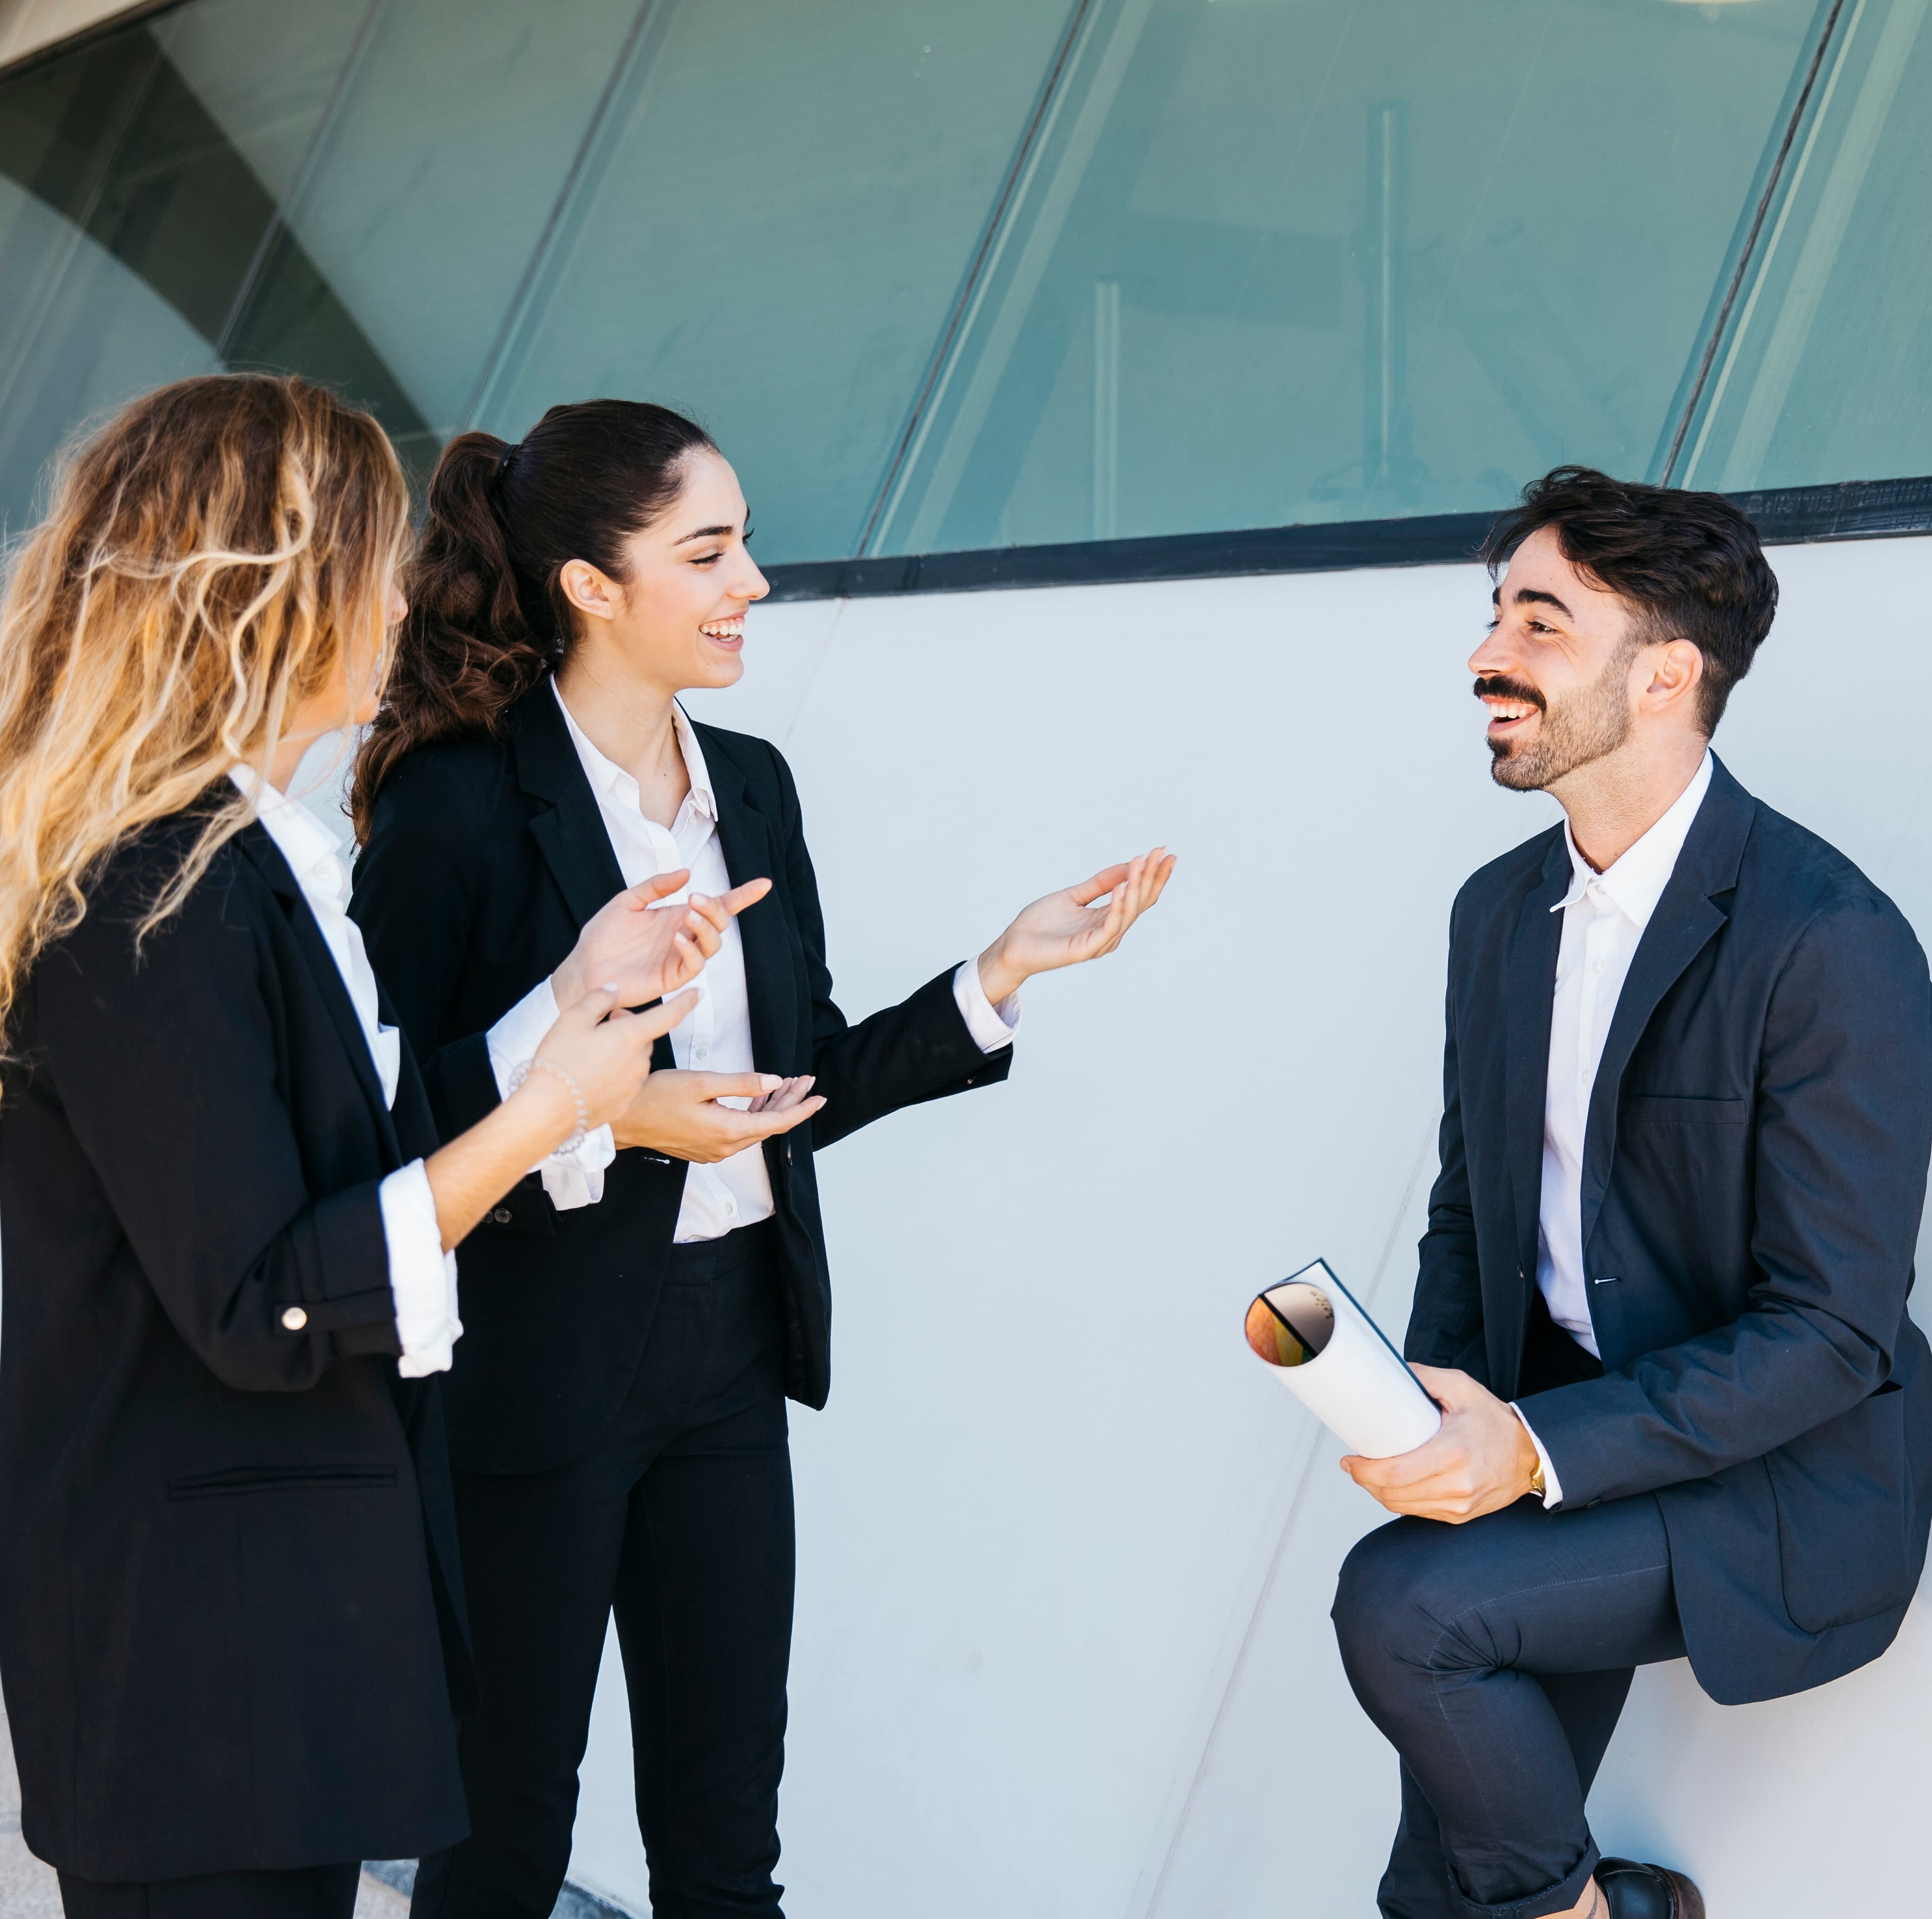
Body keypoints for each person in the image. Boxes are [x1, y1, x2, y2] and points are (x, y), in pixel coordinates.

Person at [347, 397, 1175, 1918]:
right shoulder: (456, 806)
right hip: (524, 1381)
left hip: (729, 1360)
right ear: (594, 587)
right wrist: (601, 1103)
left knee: (728, 1840)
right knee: (502, 1839)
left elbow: (789, 1090)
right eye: (711, 552)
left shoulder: (759, 787)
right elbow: (384, 1122)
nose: (755, 585)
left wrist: (997, 975)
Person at [0, 375, 740, 1919]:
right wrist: (561, 1110)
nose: (404, 594)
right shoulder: (145, 891)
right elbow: (268, 1292)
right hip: (195, 1667)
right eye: (373, 553)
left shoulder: (252, 851)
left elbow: (355, 1160)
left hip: (271, 1631)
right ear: (276, 587)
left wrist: (571, 1001)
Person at [1329, 467, 1932, 1919]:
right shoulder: (1495, 914)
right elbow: (1472, 1205)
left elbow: (1836, 1334)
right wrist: (1430, 1410)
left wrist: (1525, 1452)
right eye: (1496, 617)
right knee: (1436, 1892)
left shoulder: (1829, 941)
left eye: (1540, 622)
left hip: (1774, 1482)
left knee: (1402, 1611)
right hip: (1564, 1442)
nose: (1489, 658)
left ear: (1666, 674)